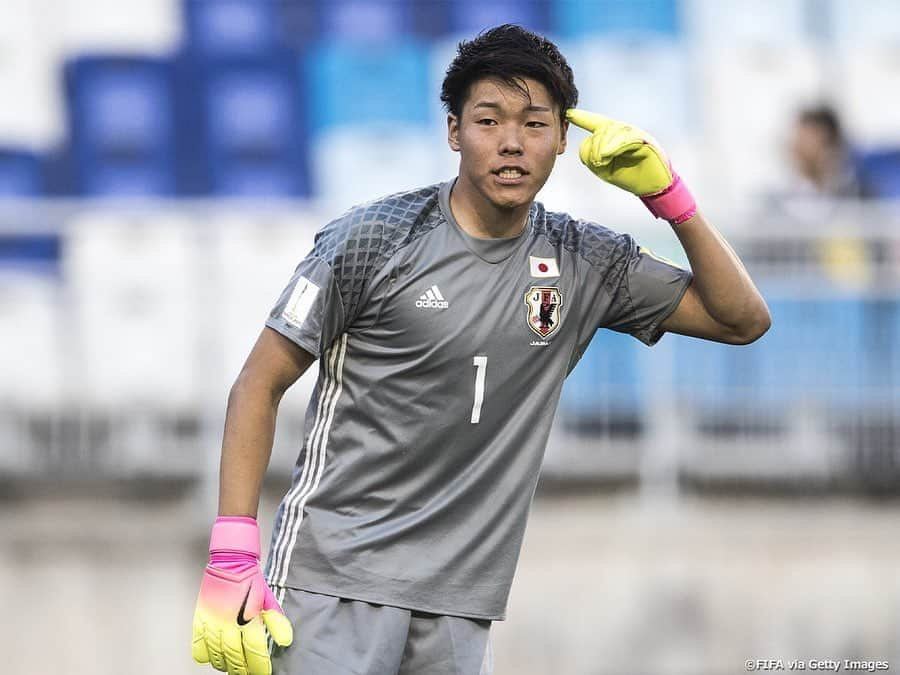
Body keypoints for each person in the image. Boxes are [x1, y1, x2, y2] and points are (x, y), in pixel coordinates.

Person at [191, 24, 771, 675]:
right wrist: (233, 549)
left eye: (535, 124)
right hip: (334, 584)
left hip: (461, 606)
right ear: (453, 132)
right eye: (489, 120)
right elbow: (258, 382)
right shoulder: (373, 239)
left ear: (561, 140)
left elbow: (742, 319)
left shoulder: (583, 260)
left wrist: (669, 200)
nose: (512, 143)